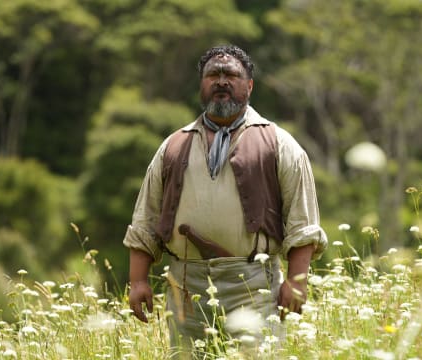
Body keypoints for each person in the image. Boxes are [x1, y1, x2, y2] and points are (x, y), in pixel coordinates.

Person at [123, 44, 328, 356]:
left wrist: (297, 282)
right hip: (185, 286)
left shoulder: (279, 143)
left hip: (254, 286)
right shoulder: (173, 146)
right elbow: (145, 220)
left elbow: (303, 221)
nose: (221, 81)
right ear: (202, 85)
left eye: (231, 74)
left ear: (249, 85)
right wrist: (138, 281)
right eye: (212, 75)